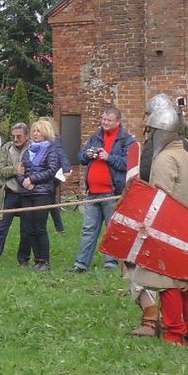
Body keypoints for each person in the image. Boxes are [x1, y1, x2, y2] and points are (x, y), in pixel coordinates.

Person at [128, 98, 188, 345]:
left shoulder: (164, 159)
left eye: (152, 130)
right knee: (183, 282)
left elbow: (160, 197)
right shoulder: (184, 153)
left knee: (168, 282)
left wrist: (148, 226)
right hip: (184, 222)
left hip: (167, 225)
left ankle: (175, 333)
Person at [69, 107, 134, 273]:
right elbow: (80, 157)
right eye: (103, 119)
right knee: (88, 229)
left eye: (109, 120)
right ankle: (81, 264)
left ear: (118, 122)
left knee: (111, 229)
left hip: (112, 193)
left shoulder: (126, 140)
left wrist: (108, 157)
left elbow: (128, 164)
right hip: (93, 192)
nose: (105, 123)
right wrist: (88, 155)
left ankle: (111, 263)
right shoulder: (95, 137)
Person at [15, 120, 62, 271]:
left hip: (43, 192)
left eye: (38, 131)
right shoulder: (28, 150)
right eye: (34, 131)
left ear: (46, 133)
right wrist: (23, 181)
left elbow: (52, 170)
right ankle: (37, 260)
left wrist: (33, 179)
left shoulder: (51, 150)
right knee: (29, 227)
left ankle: (45, 261)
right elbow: (20, 171)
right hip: (27, 193)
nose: (35, 134)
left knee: (39, 227)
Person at [0, 123, 29, 266]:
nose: (16, 139)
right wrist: (15, 170)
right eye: (14, 136)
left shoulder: (33, 148)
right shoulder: (6, 148)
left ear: (27, 136)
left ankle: (23, 259)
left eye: (19, 136)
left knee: (26, 229)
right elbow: (0, 170)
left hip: (27, 194)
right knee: (2, 227)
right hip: (10, 193)